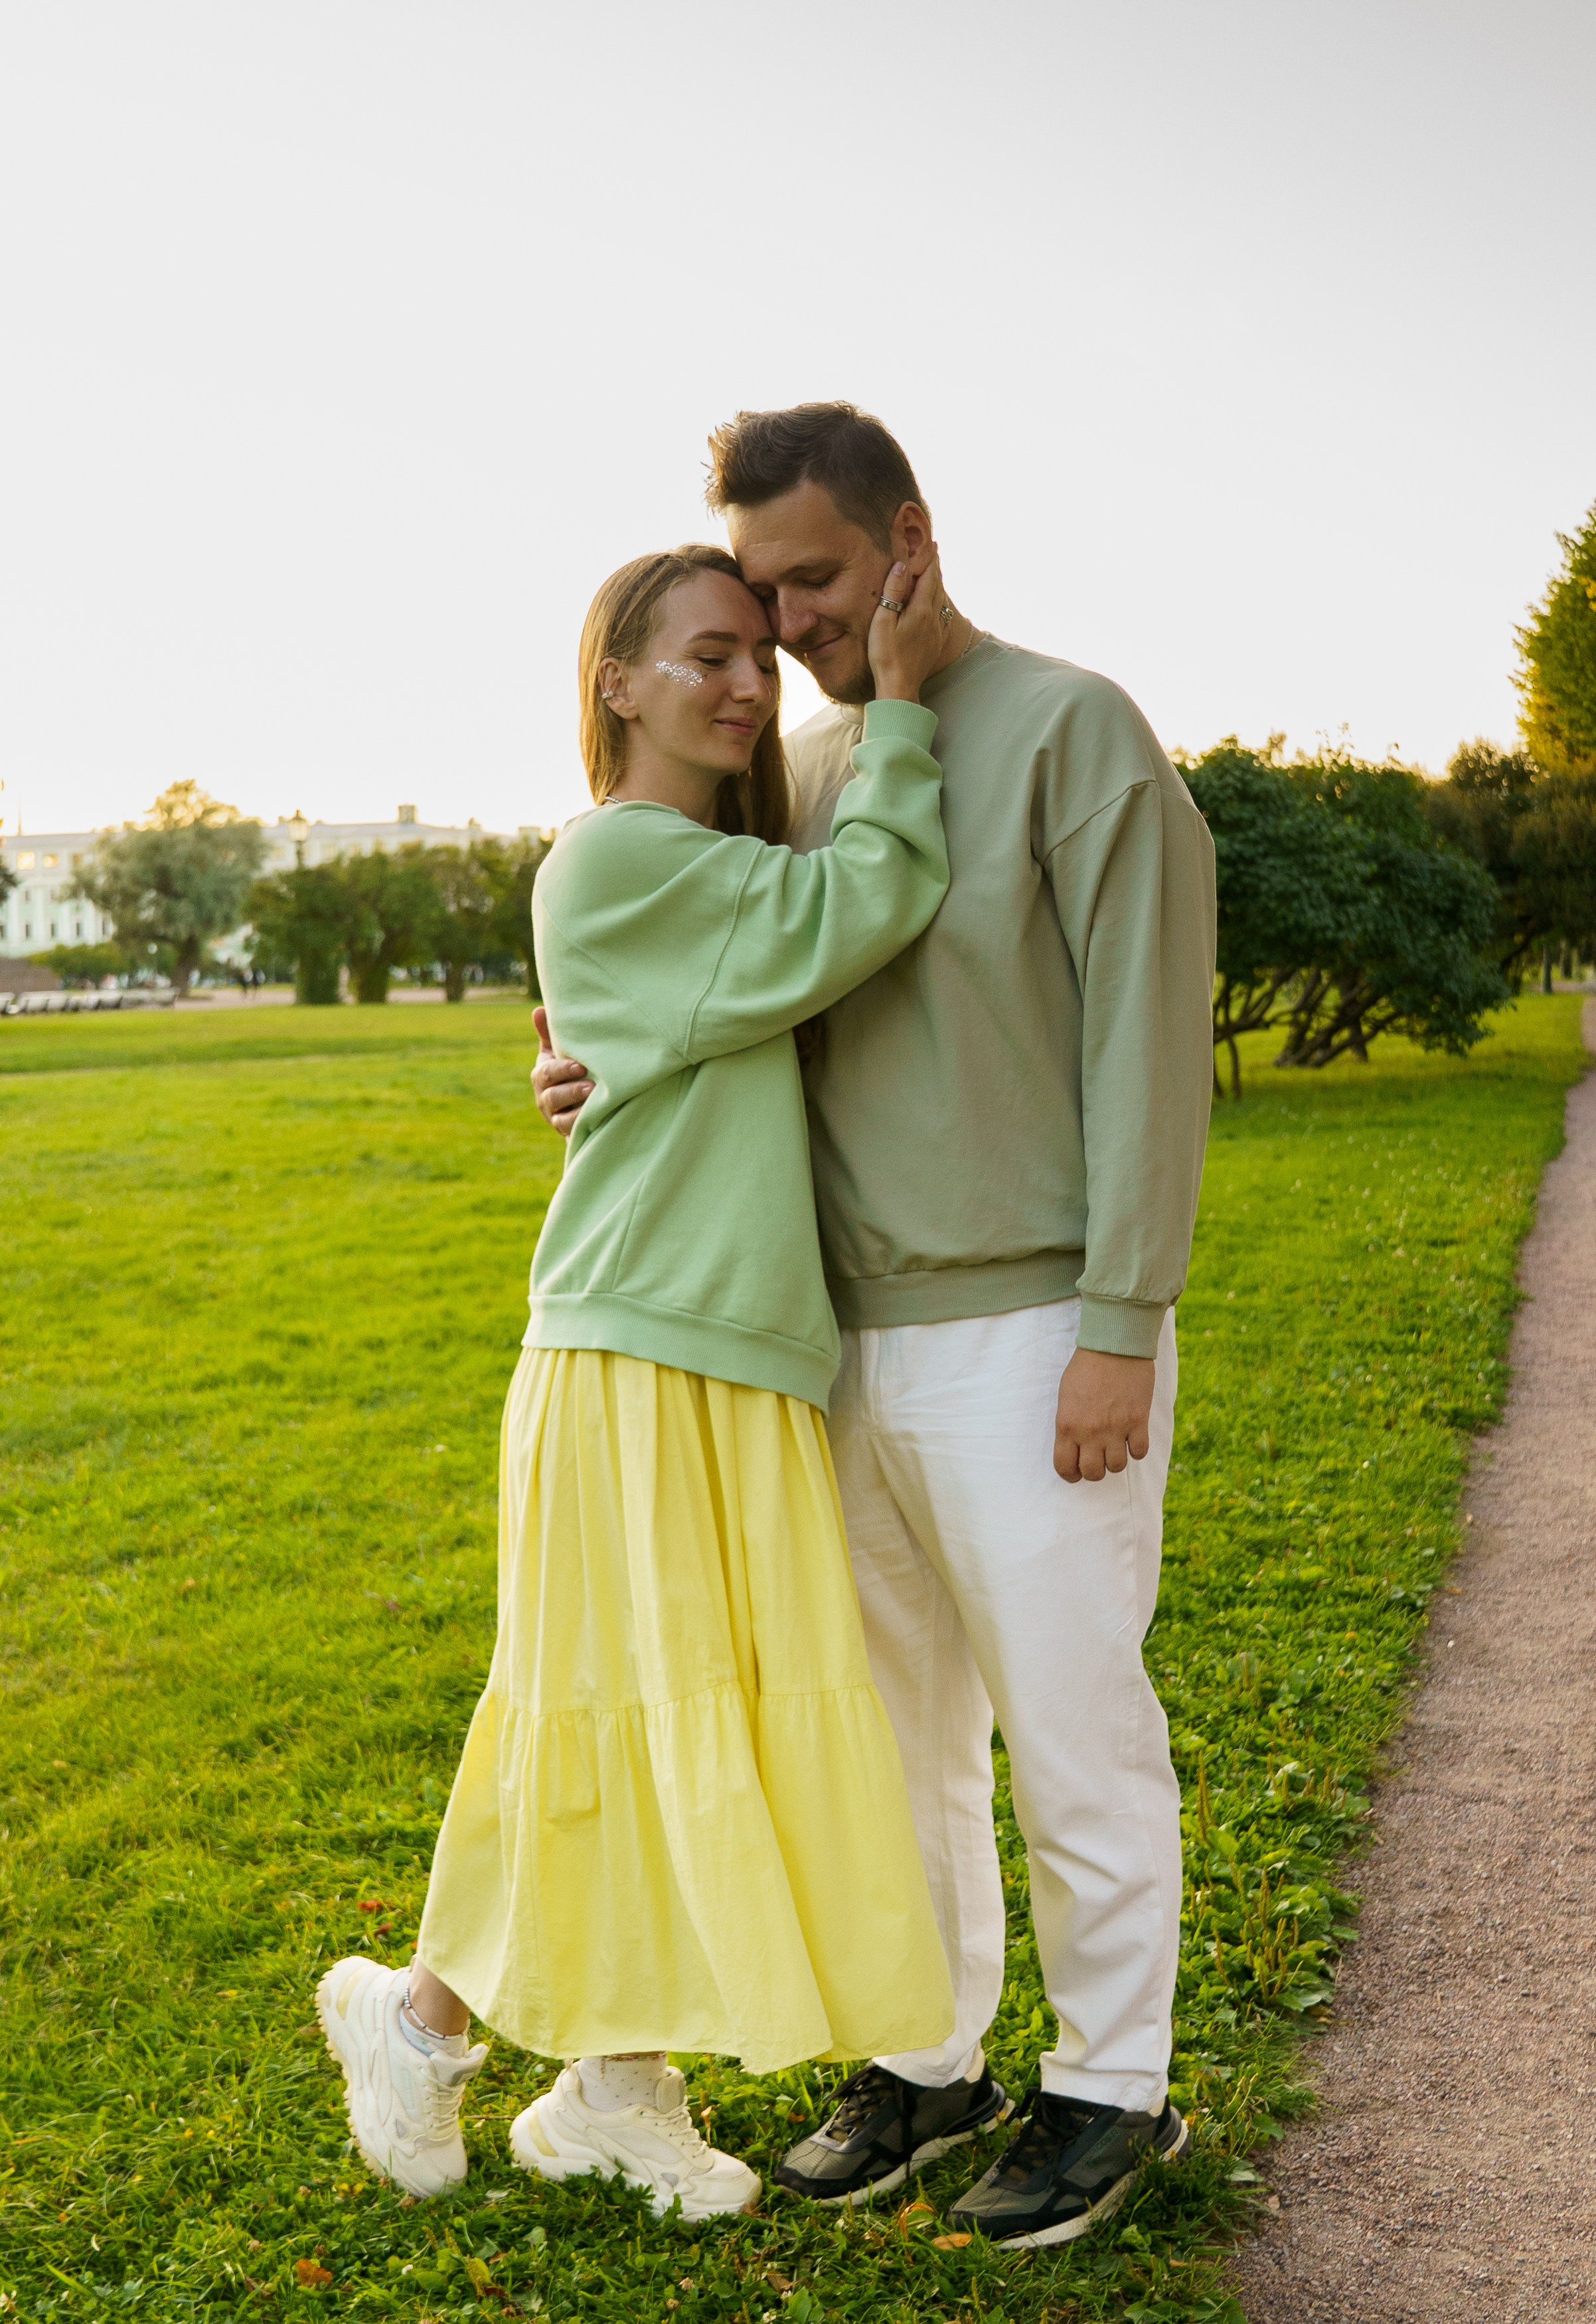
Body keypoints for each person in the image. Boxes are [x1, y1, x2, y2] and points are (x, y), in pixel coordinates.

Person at [534, 404, 1218, 2250]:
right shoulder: (816, 763)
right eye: (757, 598)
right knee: (890, 1728)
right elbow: (746, 971)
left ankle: (1111, 2088)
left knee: (1074, 1720)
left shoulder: (1075, 730)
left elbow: (1146, 1048)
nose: (790, 627)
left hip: (1029, 1331)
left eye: (818, 579)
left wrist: (1119, 1321)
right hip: (829, 1346)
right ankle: (928, 2059)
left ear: (909, 538)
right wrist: (602, 1051)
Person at [316, 540, 959, 2216]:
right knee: (602, 1709)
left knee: (684, 1714)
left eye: (760, 653)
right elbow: (865, 902)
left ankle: (612, 2085)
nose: (749, 682)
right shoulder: (619, 857)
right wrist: (894, 709)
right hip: (634, 1349)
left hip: (723, 1348)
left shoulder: (681, 862)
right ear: (616, 682)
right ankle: (426, 2015)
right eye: (706, 657)